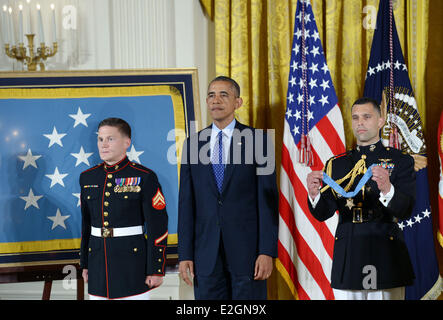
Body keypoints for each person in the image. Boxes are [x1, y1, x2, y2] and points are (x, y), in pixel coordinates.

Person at [178, 76, 279, 300]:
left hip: (248, 255)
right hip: (205, 255)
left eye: (224, 95)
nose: (216, 100)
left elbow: (268, 202)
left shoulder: (258, 141)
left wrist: (266, 251)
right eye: (212, 95)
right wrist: (185, 253)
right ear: (206, 101)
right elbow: (186, 203)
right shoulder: (192, 144)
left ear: (238, 102)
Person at [306, 97, 416, 300]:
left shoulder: (401, 161)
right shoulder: (336, 164)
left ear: (380, 121)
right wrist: (314, 196)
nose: (360, 122)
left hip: (386, 255)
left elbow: (406, 210)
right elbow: (324, 213)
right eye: (355, 117)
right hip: (349, 255)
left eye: (367, 117)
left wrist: (387, 189)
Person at [79, 117, 168, 300]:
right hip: (98, 266)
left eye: (110, 139)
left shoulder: (144, 177)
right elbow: (86, 225)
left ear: (127, 142)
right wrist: (85, 264)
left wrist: (156, 269)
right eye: (100, 139)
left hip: (132, 266)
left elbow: (157, 226)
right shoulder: (88, 178)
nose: (104, 144)